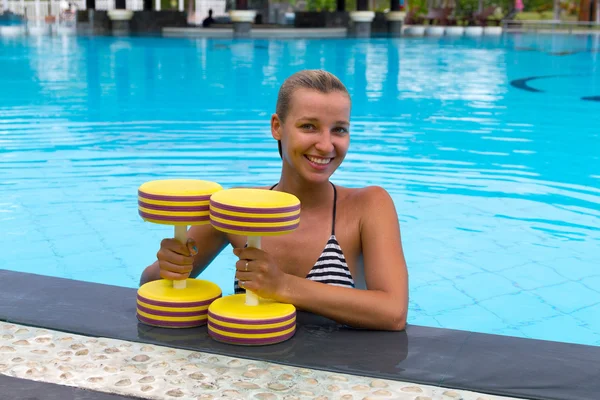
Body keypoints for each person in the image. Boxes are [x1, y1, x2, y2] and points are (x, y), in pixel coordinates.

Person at [140, 70, 409, 331]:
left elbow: (393, 312)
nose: (326, 145)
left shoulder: (368, 206)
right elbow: (149, 283)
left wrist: (282, 286)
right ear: (277, 127)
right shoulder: (238, 208)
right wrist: (169, 267)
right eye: (309, 126)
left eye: (339, 130)